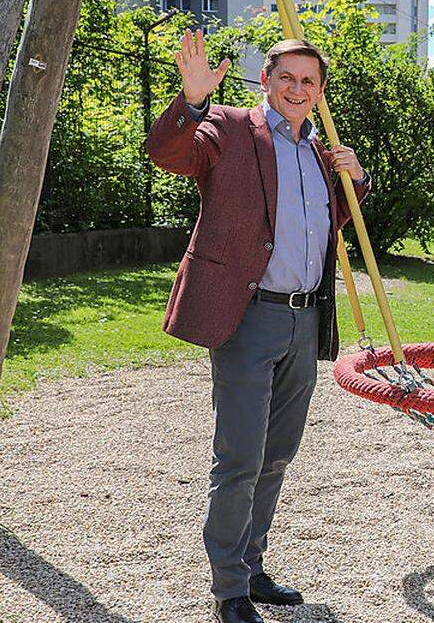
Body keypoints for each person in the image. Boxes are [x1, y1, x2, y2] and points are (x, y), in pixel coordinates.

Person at [147, 30, 370, 623]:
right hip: (248, 316)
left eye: (308, 81)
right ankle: (229, 591)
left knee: (277, 456)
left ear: (319, 92)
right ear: (266, 80)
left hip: (305, 318)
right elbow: (170, 155)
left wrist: (355, 181)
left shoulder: (324, 152)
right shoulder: (227, 128)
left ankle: (252, 564)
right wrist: (191, 102)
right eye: (286, 77)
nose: (297, 89)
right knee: (241, 456)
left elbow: (326, 226)